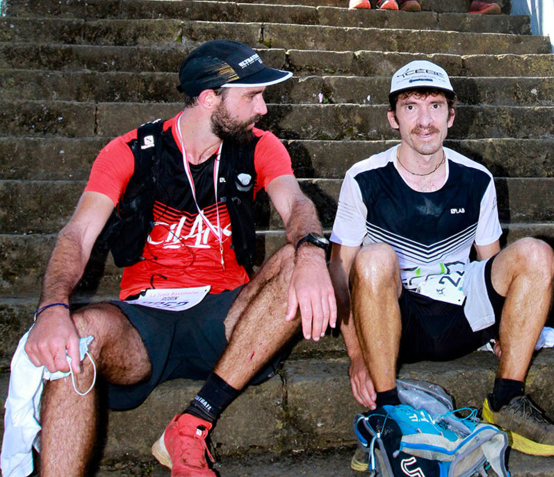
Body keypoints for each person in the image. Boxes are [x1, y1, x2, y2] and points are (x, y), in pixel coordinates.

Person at [22, 40, 336, 477]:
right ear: (209, 98)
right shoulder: (130, 151)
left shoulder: (260, 146)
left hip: (227, 316)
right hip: (146, 315)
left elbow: (296, 204)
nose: (263, 109)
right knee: (78, 334)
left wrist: (313, 253)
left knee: (296, 258)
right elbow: (77, 234)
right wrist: (52, 307)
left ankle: (195, 419)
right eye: (252, 96)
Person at [330, 60, 554, 458]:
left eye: (435, 106)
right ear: (393, 118)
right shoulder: (364, 178)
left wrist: (505, 332)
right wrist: (358, 355)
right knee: (373, 258)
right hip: (394, 326)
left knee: (537, 252)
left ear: (451, 116)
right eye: (411, 107)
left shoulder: (477, 178)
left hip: (462, 317)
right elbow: (340, 271)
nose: (424, 120)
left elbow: (492, 263)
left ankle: (506, 400)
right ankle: (388, 411)